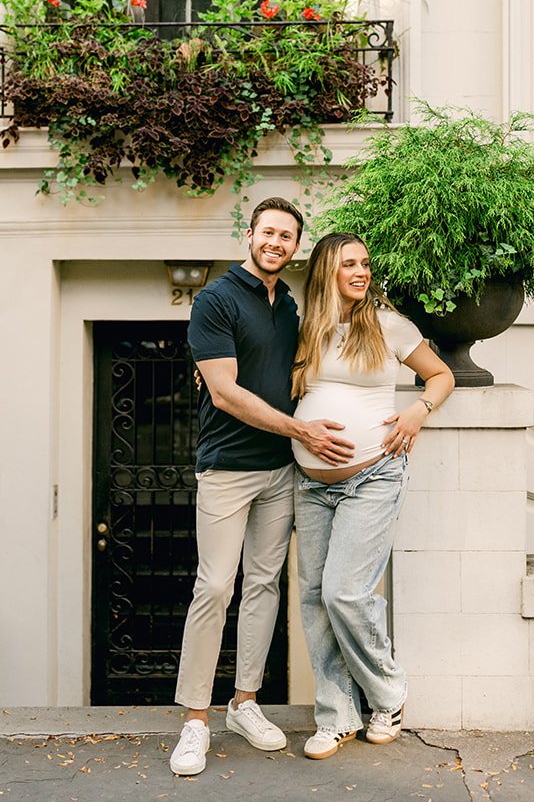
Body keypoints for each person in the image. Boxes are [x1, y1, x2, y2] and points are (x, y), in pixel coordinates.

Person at [170, 198, 356, 778]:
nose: (277, 242)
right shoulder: (215, 300)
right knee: (215, 587)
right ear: (249, 234)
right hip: (227, 466)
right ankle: (195, 721)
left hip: (281, 469)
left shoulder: (290, 306)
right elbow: (223, 392)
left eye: (288, 236)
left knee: (264, 587)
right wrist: (302, 429)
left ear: (296, 246)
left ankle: (244, 704)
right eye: (268, 232)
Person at [292, 232, 454, 759]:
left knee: (345, 593)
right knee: (316, 599)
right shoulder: (305, 329)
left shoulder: (387, 324)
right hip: (310, 484)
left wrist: (419, 410)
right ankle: (335, 715)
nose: (360, 272)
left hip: (373, 476)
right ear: (325, 272)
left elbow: (441, 375)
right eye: (348, 265)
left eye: (364, 263)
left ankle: (387, 694)